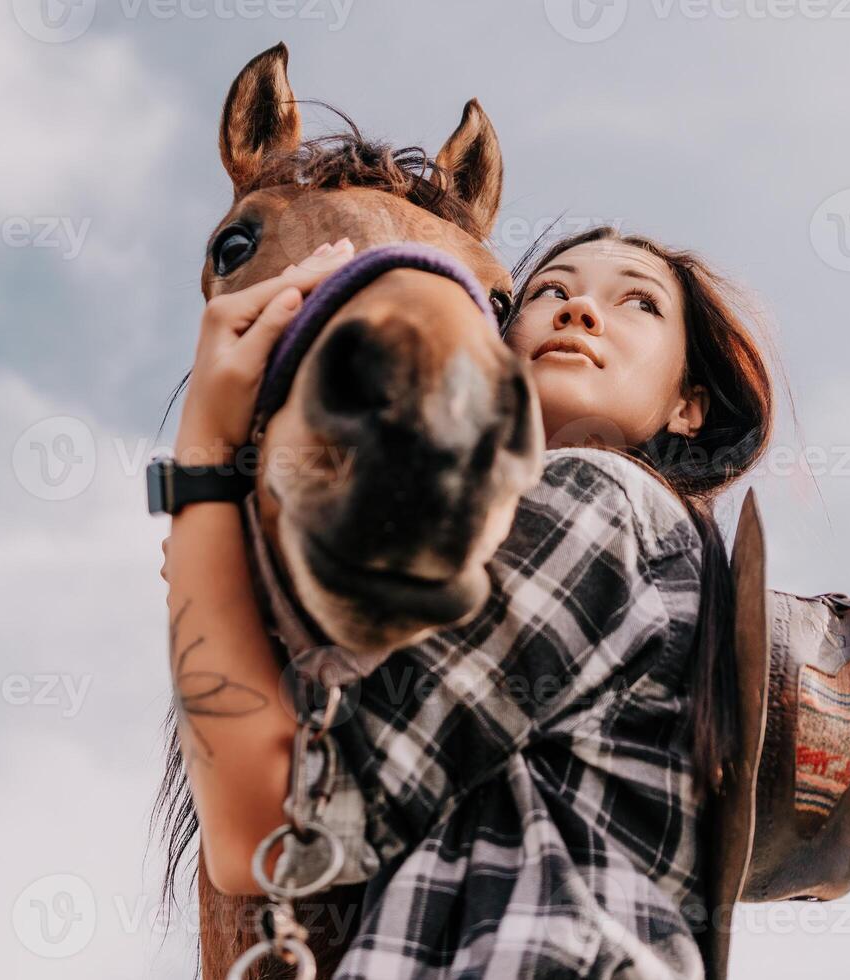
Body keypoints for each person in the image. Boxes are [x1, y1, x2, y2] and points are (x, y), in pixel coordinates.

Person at [156, 226, 775, 977]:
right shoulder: (613, 551)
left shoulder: (600, 495)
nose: (579, 309)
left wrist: (203, 461)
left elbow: (268, 831)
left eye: (637, 301)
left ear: (688, 406)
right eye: (547, 291)